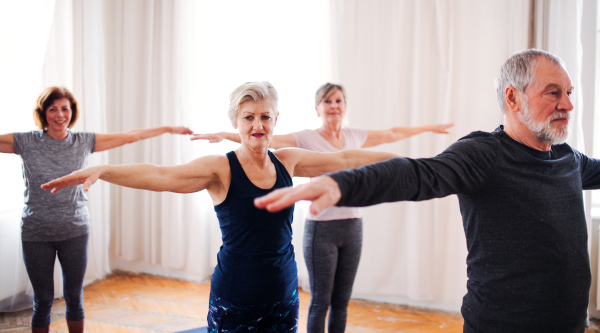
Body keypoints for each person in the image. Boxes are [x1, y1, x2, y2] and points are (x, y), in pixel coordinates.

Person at [255, 49, 600, 333]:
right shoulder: (485, 154)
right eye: (553, 92)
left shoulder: (568, 158)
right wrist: (342, 182)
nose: (567, 105)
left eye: (569, 93)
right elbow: (420, 173)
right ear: (513, 97)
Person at [41, 81, 399, 333]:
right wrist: (103, 170)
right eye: (248, 117)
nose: (257, 125)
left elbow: (347, 157)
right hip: (236, 293)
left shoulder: (287, 161)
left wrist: (408, 163)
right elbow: (160, 174)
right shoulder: (220, 168)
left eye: (265, 116)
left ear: (276, 119)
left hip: (283, 289)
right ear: (235, 122)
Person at [192, 83, 453, 333]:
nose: (333, 106)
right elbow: (259, 134)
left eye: (338, 100)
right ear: (317, 107)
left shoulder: (332, 143)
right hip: (282, 261)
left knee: (341, 301)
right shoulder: (295, 142)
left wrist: (419, 161)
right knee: (321, 301)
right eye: (327, 100)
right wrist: (228, 134)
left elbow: (365, 149)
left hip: (320, 257)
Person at [0, 86, 193, 333]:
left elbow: (130, 135)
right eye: (53, 109)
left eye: (65, 108)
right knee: (43, 300)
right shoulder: (26, 142)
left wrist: (168, 129)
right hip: (36, 232)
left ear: (72, 111)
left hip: (75, 230)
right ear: (43, 112)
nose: (60, 115)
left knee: (74, 297)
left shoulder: (83, 141)